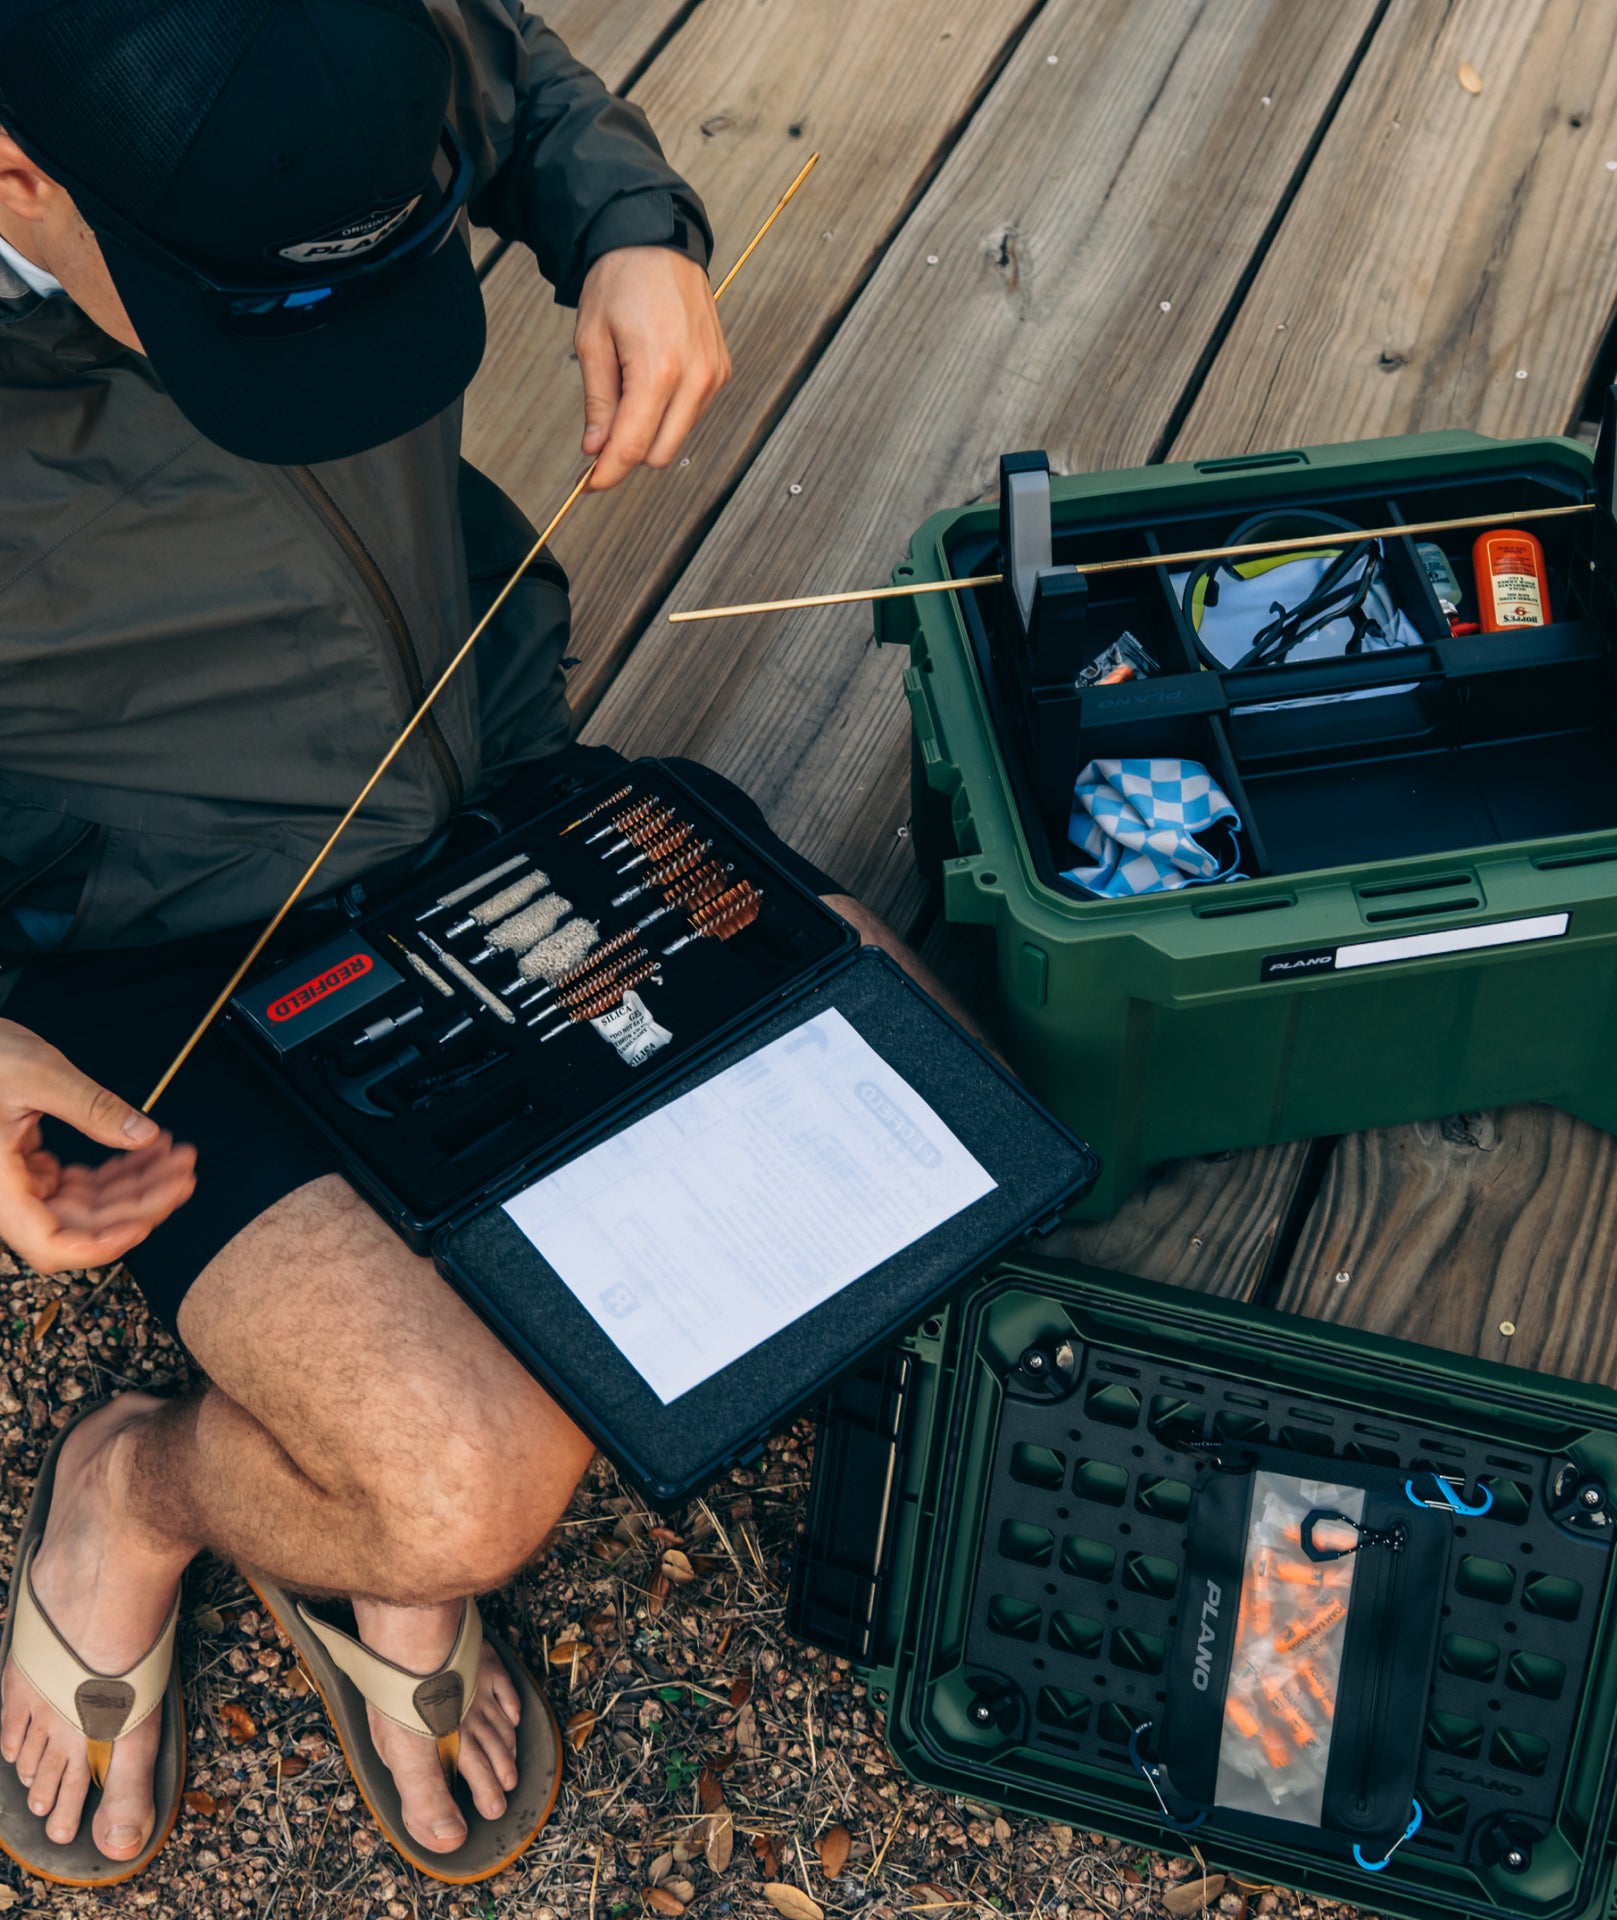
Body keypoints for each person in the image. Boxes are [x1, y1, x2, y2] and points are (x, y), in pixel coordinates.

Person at [0, 0, 957, 1886]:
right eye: (254, 321)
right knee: (458, 1486)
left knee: (929, 1123)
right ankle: (139, 1481)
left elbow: (500, 72)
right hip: (150, 932)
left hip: (484, 764)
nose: (341, 364)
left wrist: (630, 229)